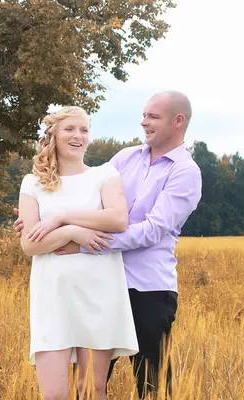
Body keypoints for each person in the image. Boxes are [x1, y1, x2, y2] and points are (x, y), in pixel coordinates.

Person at [14, 91, 202, 399]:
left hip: (147, 288)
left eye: (152, 117)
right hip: (103, 283)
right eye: (144, 114)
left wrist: (80, 241)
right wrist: (37, 220)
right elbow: (85, 195)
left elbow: (151, 230)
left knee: (152, 383)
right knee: (88, 388)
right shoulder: (125, 159)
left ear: (177, 121)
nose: (143, 122)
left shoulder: (185, 172)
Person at [18, 105, 139, 400]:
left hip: (98, 293)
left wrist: (60, 218)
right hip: (53, 296)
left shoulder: (104, 175)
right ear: (53, 136)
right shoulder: (32, 183)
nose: (78, 136)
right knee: (54, 394)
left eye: (84, 129)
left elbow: (117, 219)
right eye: (70, 129)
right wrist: (73, 233)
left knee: (92, 390)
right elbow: (31, 245)